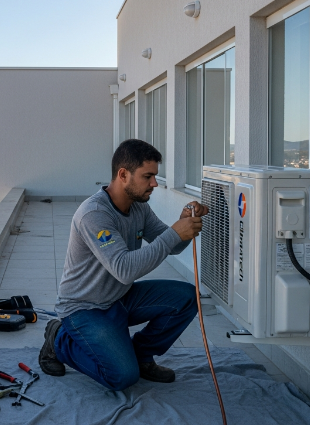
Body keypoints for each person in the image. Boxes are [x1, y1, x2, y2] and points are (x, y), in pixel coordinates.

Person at [38, 139, 209, 391]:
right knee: (122, 377)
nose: (154, 183)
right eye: (147, 176)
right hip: (85, 308)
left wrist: (182, 223)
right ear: (123, 175)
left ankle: (141, 355)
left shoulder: (139, 208)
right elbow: (124, 269)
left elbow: (172, 246)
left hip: (120, 298)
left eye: (155, 176)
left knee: (187, 297)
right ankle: (58, 339)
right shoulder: (94, 214)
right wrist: (174, 233)